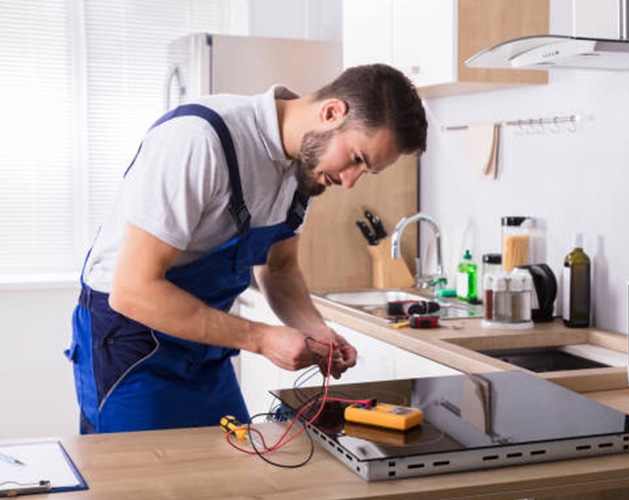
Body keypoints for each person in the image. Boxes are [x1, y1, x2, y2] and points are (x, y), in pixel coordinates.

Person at [66, 63, 428, 433]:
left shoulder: (304, 168)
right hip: (131, 346)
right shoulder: (199, 139)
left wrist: (317, 332)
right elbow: (132, 291)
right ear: (332, 113)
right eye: (356, 159)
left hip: (205, 349)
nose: (350, 182)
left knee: (234, 473)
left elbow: (280, 269)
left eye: (366, 172)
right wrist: (261, 338)